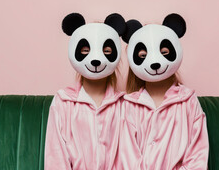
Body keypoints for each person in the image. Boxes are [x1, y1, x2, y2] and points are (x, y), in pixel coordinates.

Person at [118, 13, 209, 170]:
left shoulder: (188, 100)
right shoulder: (129, 105)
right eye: (143, 55)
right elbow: (126, 158)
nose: (154, 61)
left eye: (164, 53)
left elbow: (198, 157)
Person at [44, 13, 126, 170]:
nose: (96, 57)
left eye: (107, 51)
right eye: (85, 50)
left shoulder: (124, 105)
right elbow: (56, 159)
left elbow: (127, 158)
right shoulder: (63, 102)